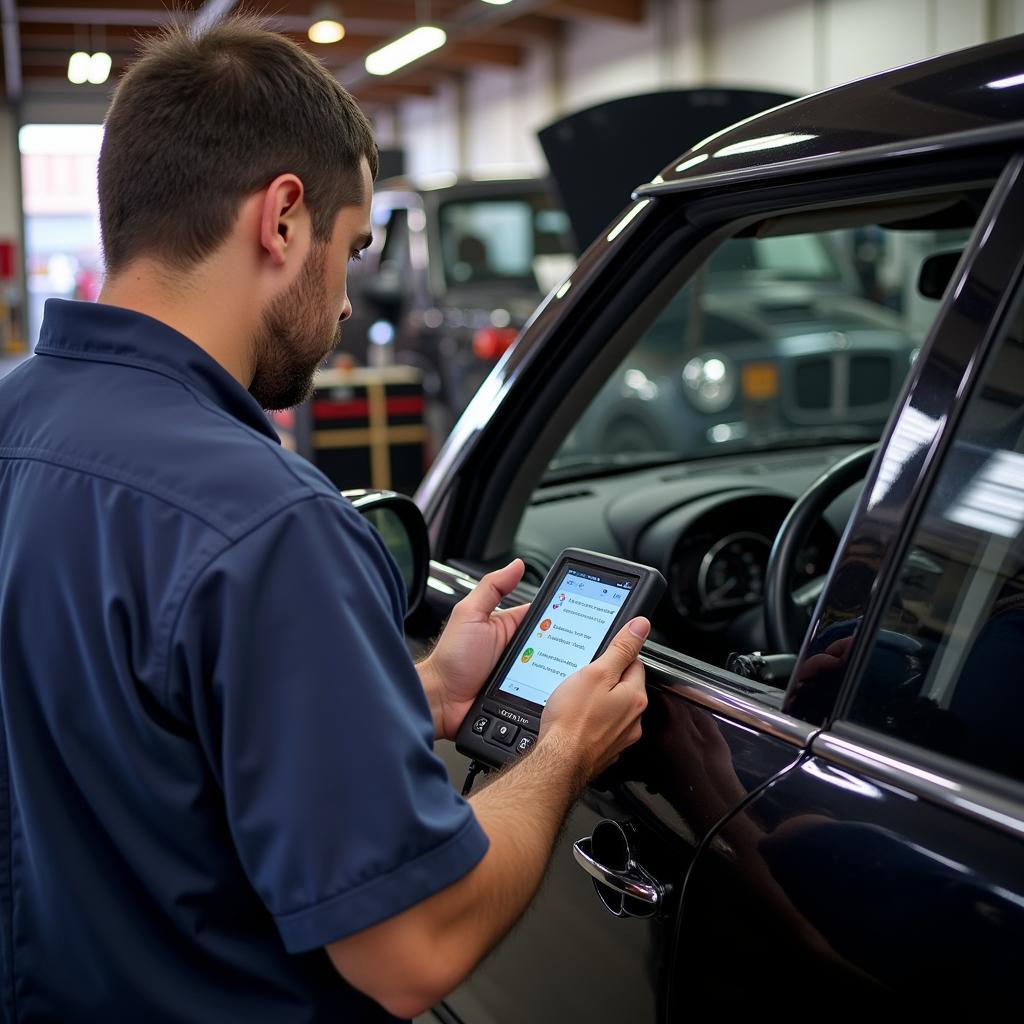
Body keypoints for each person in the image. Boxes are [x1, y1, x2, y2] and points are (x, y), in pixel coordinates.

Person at [0, 18, 649, 1023]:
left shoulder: (16, 422)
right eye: (351, 247)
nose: (347, 300)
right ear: (284, 220)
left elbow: (126, 733)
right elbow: (413, 947)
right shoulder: (269, 525)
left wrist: (417, 690)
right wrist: (564, 747)